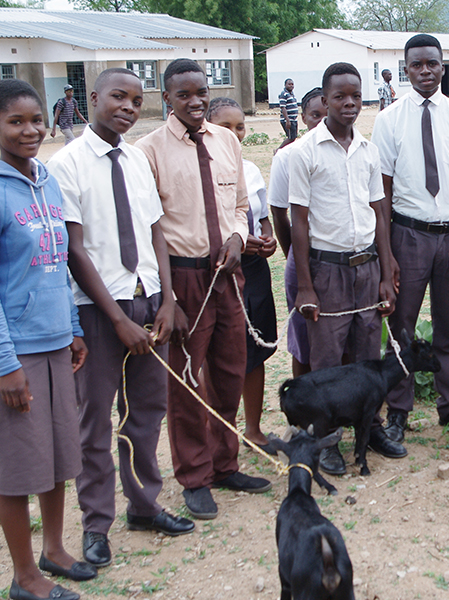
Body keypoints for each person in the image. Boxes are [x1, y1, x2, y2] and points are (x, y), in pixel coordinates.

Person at [47, 68, 195, 571]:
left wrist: (168, 300)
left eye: (136, 100)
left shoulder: (136, 160)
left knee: (146, 413)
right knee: (94, 422)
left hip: (149, 302)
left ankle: (145, 505)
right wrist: (115, 320)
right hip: (99, 310)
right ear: (92, 99)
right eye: (117, 97)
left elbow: (156, 235)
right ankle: (95, 525)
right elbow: (74, 248)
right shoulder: (64, 164)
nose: (128, 107)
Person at [0, 78, 92, 600]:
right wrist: (6, 363)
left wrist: (74, 329)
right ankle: (23, 574)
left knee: (57, 454)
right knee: (16, 466)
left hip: (57, 342)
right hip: (12, 352)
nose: (30, 130)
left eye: (36, 120)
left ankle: (55, 550)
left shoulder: (48, 183)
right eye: (15, 121)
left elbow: (57, 262)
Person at [137, 58, 271, 521]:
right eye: (184, 95)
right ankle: (194, 475)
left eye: (202, 93)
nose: (196, 102)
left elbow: (237, 205)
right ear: (166, 99)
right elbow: (149, 225)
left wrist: (237, 237)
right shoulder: (148, 150)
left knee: (231, 368)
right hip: (183, 279)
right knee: (191, 379)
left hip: (226, 276)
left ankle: (224, 462)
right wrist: (167, 297)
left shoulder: (226, 140)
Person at [373, 33, 449, 441]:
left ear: (443, 67)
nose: (425, 71)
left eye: (432, 64)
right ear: (406, 69)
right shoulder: (389, 119)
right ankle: (399, 412)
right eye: (417, 64)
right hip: (407, 235)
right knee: (401, 329)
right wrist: (386, 251)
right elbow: (382, 192)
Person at [289, 62, 401, 474]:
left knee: (367, 353)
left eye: (355, 95)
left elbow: (380, 215)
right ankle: (326, 440)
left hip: (367, 267)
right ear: (325, 99)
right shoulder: (305, 152)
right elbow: (298, 222)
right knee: (329, 361)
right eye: (340, 96)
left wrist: (387, 273)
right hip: (327, 270)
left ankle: (370, 428)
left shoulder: (369, 151)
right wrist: (305, 286)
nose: (349, 103)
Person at [207, 97, 278, 448]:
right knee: (222, 353)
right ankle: (221, 431)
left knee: (255, 349)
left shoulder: (249, 169)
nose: (234, 134)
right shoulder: (200, 167)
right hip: (219, 270)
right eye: (225, 127)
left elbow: (262, 216)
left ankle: (253, 427)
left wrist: (267, 238)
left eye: (240, 127)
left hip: (255, 269)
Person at [269, 88, 327, 378]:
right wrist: (294, 254)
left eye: (326, 114)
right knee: (303, 336)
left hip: (340, 256)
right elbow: (279, 214)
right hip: (303, 257)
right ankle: (304, 410)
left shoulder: (354, 150)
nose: (322, 121)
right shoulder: (287, 156)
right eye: (315, 115)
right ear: (303, 118)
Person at [278, 78, 300, 147]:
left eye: (292, 84)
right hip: (288, 120)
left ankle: (287, 151)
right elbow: (283, 107)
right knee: (291, 138)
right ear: (285, 85)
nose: (291, 86)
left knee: (293, 137)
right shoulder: (284, 94)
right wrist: (287, 120)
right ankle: (278, 150)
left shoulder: (291, 94)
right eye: (289, 84)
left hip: (293, 119)